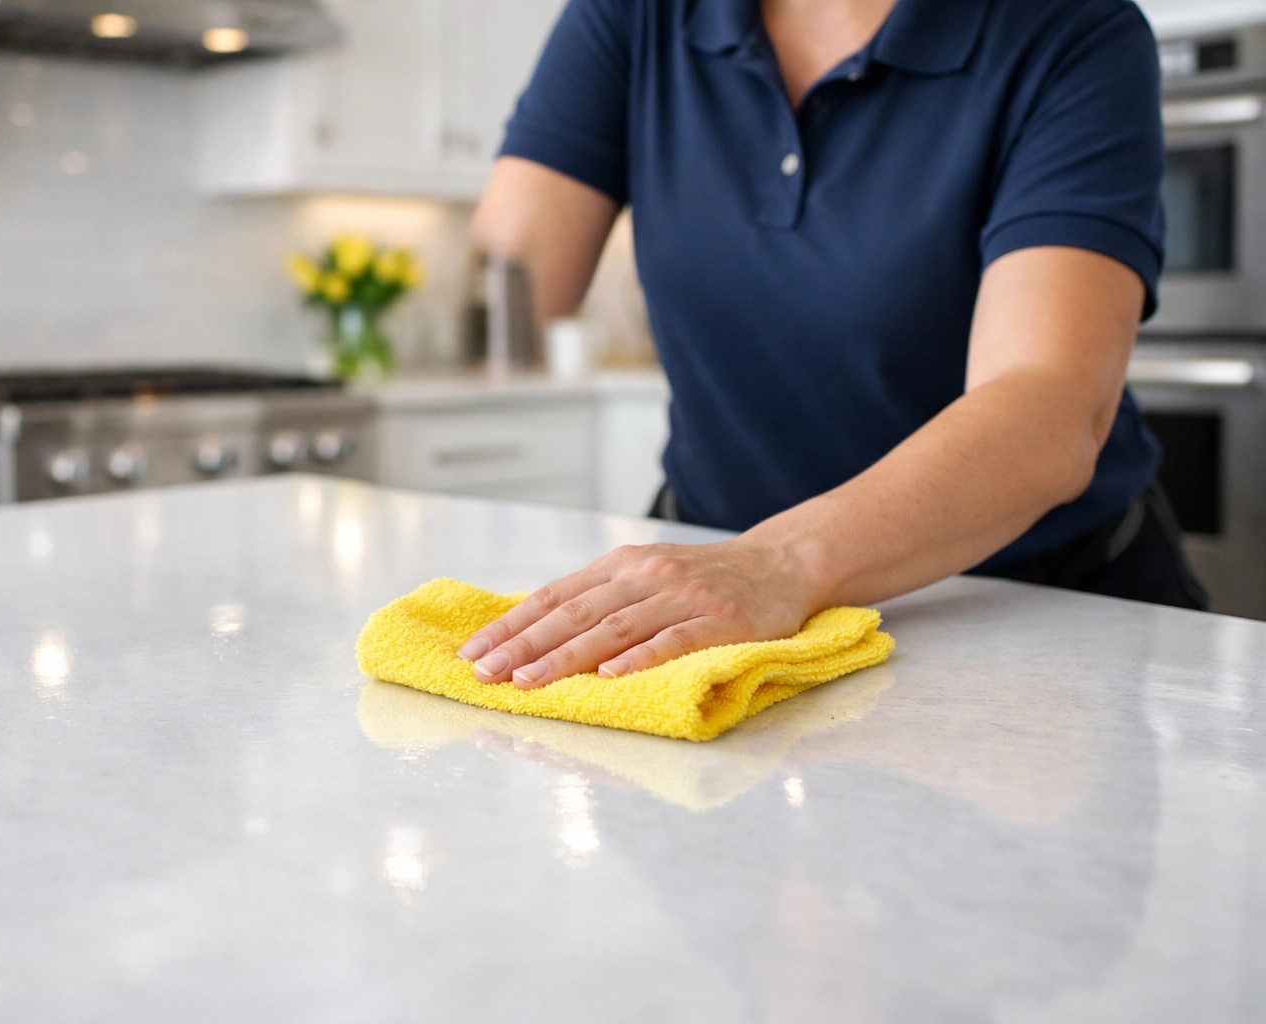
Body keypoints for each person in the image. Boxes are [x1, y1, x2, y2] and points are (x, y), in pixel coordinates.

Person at [457, 0, 1210, 690]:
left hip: (1027, 606)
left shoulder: (1070, 30)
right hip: (723, 595)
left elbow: (1049, 404)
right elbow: (515, 282)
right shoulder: (636, 16)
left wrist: (776, 563)